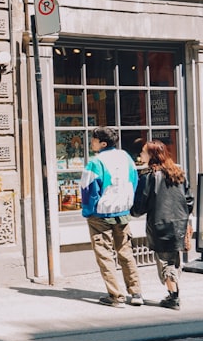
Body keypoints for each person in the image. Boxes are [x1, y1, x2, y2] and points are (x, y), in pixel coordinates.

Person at [80, 126, 143, 307]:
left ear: (103, 143)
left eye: (94, 140)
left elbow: (88, 190)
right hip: (122, 212)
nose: (91, 142)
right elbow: (134, 182)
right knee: (126, 252)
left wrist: (88, 211)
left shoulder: (95, 162)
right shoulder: (126, 158)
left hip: (100, 213)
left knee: (104, 254)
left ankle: (116, 296)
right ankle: (136, 292)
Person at [130, 141, 190, 310]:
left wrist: (131, 211)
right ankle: (174, 293)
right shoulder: (178, 173)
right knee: (173, 259)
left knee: (165, 261)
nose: (141, 155)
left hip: (160, 223)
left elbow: (140, 204)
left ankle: (173, 297)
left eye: (143, 152)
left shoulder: (149, 177)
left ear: (152, 156)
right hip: (179, 223)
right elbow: (189, 199)